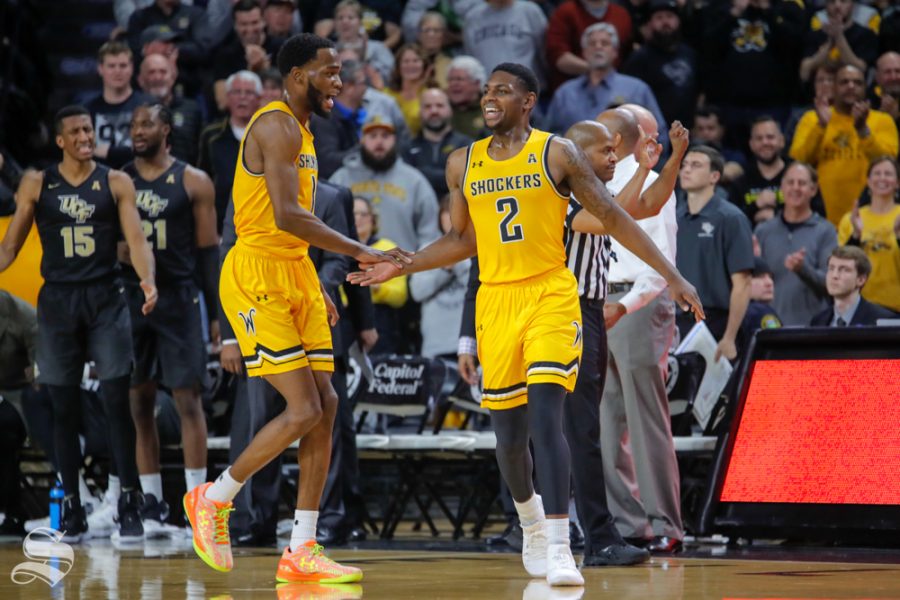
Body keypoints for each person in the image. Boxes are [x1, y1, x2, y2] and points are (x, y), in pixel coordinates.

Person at [349, 62, 703, 588]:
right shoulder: (460, 163)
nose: (490, 98)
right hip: (497, 300)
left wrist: (672, 275)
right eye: (487, 91)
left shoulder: (556, 152)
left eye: (503, 91)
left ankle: (561, 545)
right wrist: (400, 263)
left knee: (547, 415)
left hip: (552, 295)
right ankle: (532, 522)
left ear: (529, 100)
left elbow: (614, 216)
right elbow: (462, 242)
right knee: (510, 439)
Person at [183, 33, 409, 582]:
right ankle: (214, 497)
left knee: (327, 404)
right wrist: (360, 248)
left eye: (341, 72)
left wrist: (314, 284)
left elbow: (296, 230)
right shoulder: (277, 123)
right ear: (297, 75)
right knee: (304, 408)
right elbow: (285, 215)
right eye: (329, 72)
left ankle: (301, 546)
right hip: (258, 271)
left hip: (293, 272)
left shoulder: (305, 131)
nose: (339, 81)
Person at [0, 105, 158, 542]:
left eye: (89, 128)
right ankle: (72, 504)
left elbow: (137, 238)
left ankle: (130, 500)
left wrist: (147, 281)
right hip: (58, 302)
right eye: (77, 131)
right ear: (60, 140)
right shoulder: (37, 182)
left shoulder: (115, 180)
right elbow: (11, 245)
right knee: (62, 407)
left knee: (115, 403)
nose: (86, 136)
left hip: (105, 298)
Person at [122, 103, 218, 535]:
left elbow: (208, 254)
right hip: (131, 297)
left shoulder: (193, 180)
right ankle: (152, 505)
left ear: (166, 129)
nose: (137, 130)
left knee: (187, 401)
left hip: (179, 299)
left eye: (146, 123)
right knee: (138, 402)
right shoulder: (118, 179)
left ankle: (198, 505)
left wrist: (218, 315)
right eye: (133, 124)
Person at [789, 64, 899, 226]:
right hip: (820, 217)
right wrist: (820, 127)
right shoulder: (812, 119)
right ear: (833, 87)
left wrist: (862, 130)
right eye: (844, 82)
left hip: (870, 218)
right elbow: (799, 160)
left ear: (865, 88)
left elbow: (887, 163)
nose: (851, 86)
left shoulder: (882, 120)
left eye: (857, 82)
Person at [676, 145, 754, 360]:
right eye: (684, 165)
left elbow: (743, 283)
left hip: (716, 320)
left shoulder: (731, 218)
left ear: (714, 176)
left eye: (696, 165)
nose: (686, 170)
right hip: (677, 319)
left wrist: (729, 337)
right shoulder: (675, 217)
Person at [754, 162, 837, 326]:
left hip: (812, 327)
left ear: (813, 190)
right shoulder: (763, 230)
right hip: (768, 325)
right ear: (782, 187)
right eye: (790, 182)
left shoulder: (826, 231)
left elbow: (831, 283)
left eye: (802, 183)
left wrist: (802, 269)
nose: (795, 188)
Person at [838, 156, 900, 313]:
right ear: (868, 181)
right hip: (858, 308)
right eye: (877, 173)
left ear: (898, 182)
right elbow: (841, 265)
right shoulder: (850, 219)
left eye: (888, 174)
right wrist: (856, 236)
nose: (882, 178)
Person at [810, 246, 897, 326]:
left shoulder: (883, 320)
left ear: (861, 280)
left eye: (844, 270)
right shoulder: (818, 321)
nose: (834, 275)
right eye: (831, 268)